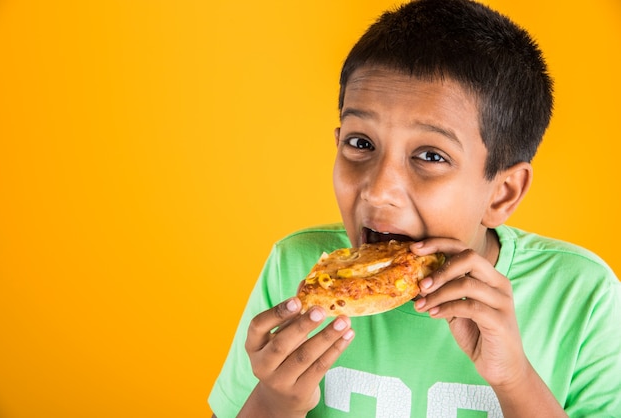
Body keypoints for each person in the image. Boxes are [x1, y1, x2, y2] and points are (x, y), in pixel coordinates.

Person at [208, 0, 621, 416]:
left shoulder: (581, 295)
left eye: (431, 156)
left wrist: (514, 380)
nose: (379, 190)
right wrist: (275, 400)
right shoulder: (296, 268)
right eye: (361, 144)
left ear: (502, 194)